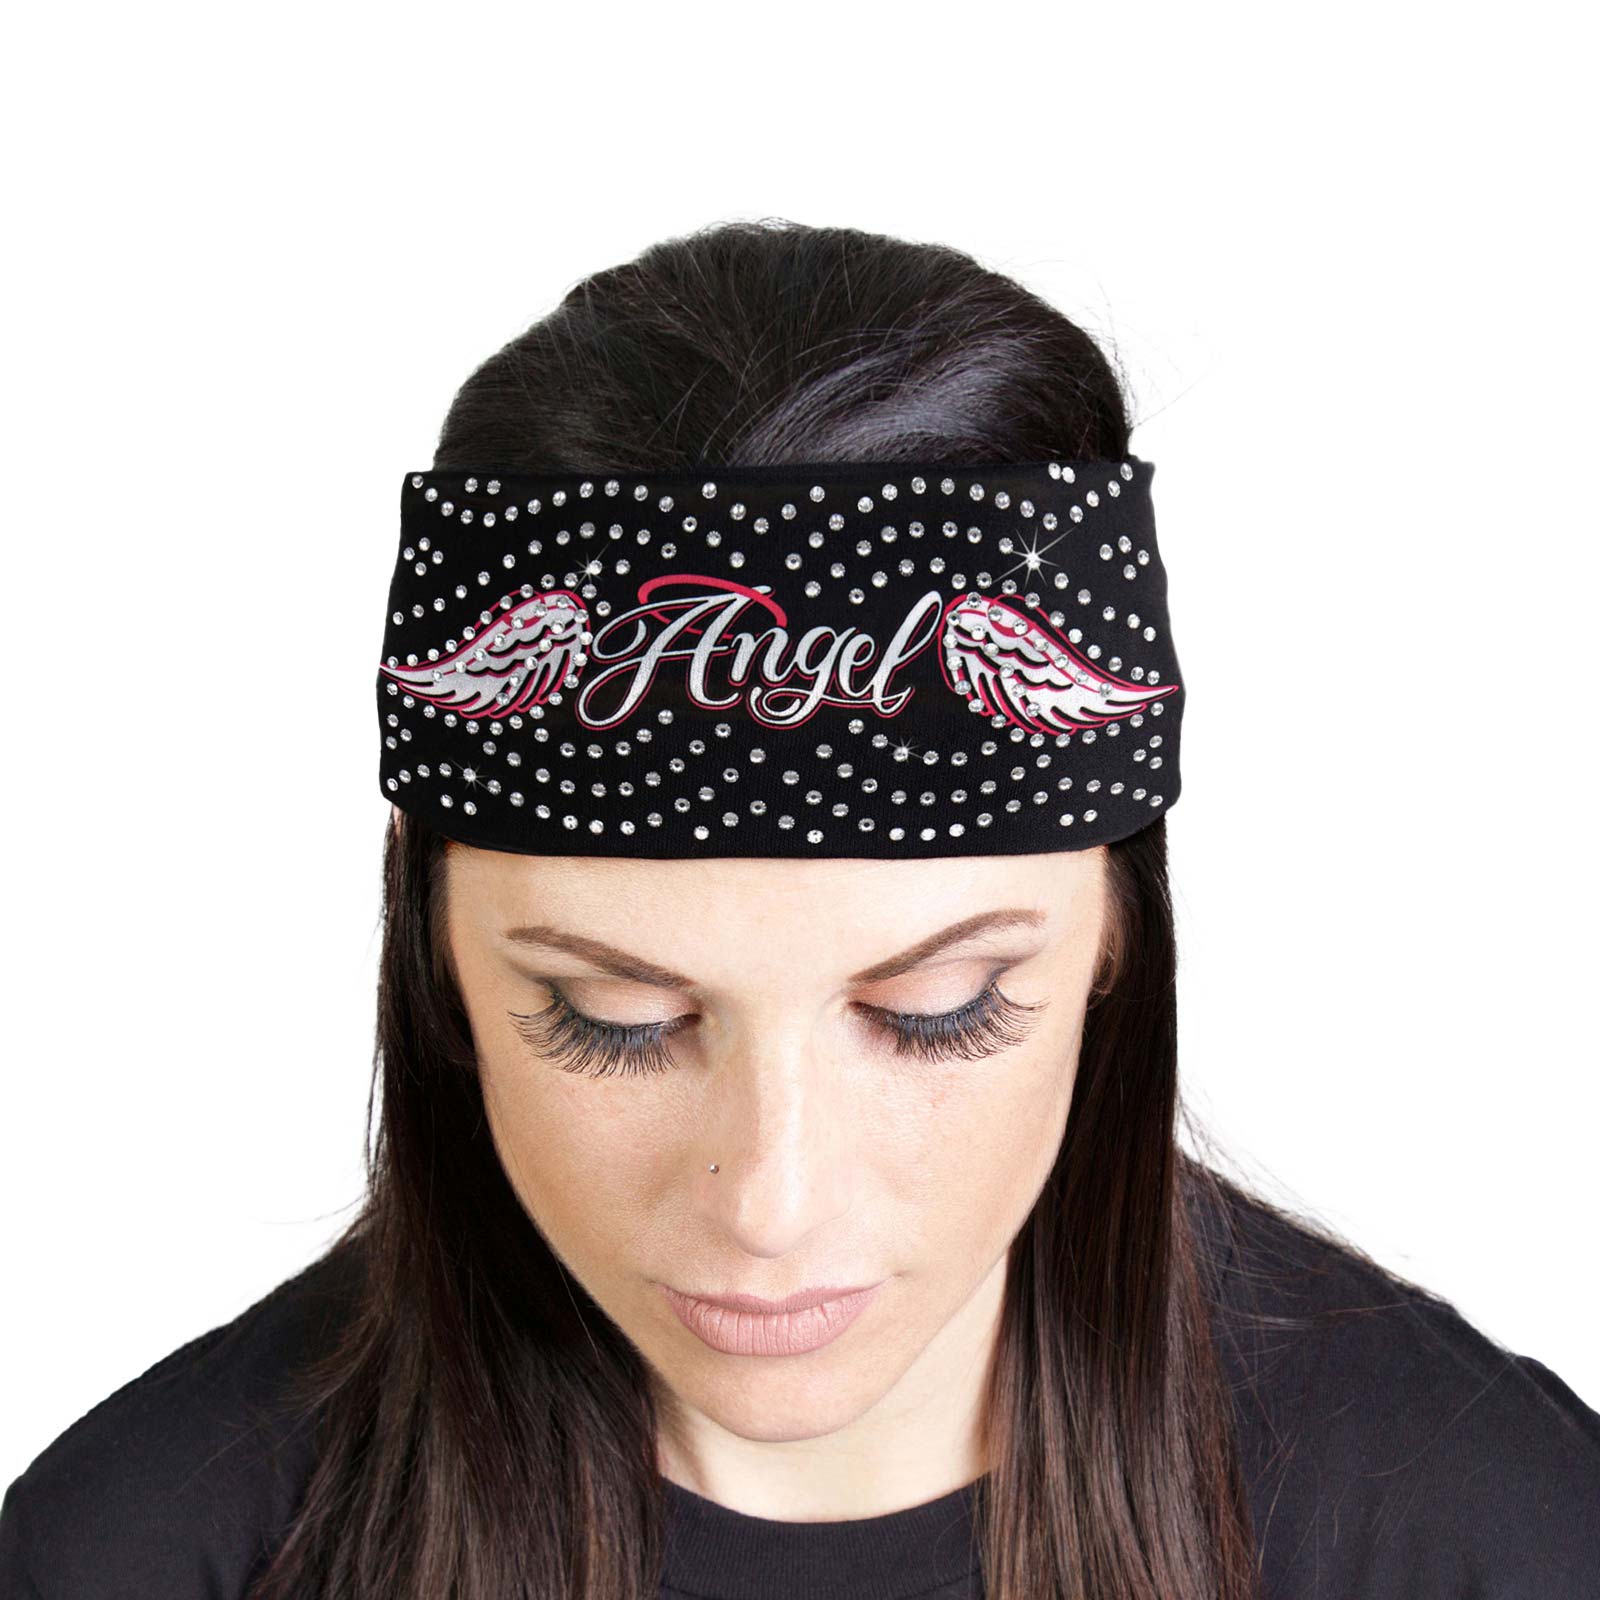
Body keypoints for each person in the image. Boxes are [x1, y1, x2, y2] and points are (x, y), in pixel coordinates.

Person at [3, 220, 1596, 1600]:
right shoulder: (141, 1553)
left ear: (1118, 937)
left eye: (938, 1013)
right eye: (613, 1020)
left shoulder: (1494, 1537)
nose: (770, 1201)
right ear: (439, 966)